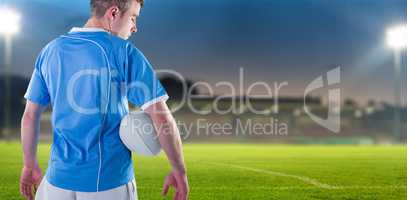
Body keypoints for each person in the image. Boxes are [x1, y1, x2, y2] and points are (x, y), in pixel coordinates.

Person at [19, 0, 189, 199]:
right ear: (114, 13)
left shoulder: (50, 51)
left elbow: (30, 116)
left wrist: (29, 165)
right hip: (109, 183)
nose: (135, 27)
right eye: (133, 18)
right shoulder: (123, 51)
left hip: (55, 183)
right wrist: (179, 170)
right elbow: (161, 117)